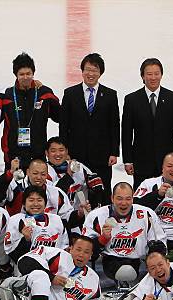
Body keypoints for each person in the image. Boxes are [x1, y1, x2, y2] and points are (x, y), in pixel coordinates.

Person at [60, 53, 120, 197]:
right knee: (77, 191)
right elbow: (63, 125)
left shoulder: (110, 95)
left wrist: (114, 152)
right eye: (87, 69)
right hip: (76, 153)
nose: (91, 74)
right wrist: (65, 151)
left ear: (100, 73)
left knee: (102, 190)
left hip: (102, 155)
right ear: (82, 71)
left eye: (95, 70)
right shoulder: (70, 93)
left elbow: (114, 125)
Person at [83, 182, 166, 284]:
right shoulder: (96, 216)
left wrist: (154, 253)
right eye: (119, 198)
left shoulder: (146, 214)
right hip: (111, 260)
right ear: (112, 198)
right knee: (125, 272)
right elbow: (86, 251)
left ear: (132, 198)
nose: (124, 203)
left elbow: (160, 245)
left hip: (139, 261)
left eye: (128, 198)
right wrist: (102, 239)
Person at [122, 58, 173, 188]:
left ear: (161, 74)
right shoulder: (132, 100)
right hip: (141, 160)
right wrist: (128, 160)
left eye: (156, 73)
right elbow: (126, 132)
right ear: (143, 76)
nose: (153, 77)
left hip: (167, 161)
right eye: (149, 74)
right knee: (142, 195)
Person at [2, 52, 60, 170]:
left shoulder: (44, 93)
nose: (25, 77)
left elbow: (59, 117)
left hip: (38, 155)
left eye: (28, 73)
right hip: (14, 157)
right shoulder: (8, 95)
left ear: (33, 73)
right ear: (16, 75)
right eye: (21, 74)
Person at [2, 159, 86, 230]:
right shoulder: (15, 187)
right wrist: (10, 172)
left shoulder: (56, 192)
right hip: (20, 234)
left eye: (43, 174)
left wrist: (79, 213)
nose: (39, 177)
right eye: (35, 173)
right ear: (27, 172)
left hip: (50, 239)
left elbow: (66, 218)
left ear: (47, 175)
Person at [4, 185, 69, 264]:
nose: (35, 204)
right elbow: (12, 254)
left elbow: (63, 249)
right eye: (31, 200)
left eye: (39, 200)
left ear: (45, 203)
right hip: (25, 272)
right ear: (24, 203)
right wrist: (26, 240)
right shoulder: (16, 220)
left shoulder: (57, 220)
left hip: (53, 270)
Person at [45, 137, 104, 210]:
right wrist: (69, 175)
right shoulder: (43, 171)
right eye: (53, 151)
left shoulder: (78, 166)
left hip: (79, 215)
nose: (58, 154)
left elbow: (96, 184)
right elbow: (55, 197)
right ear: (47, 153)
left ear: (67, 151)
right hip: (56, 216)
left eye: (61, 150)